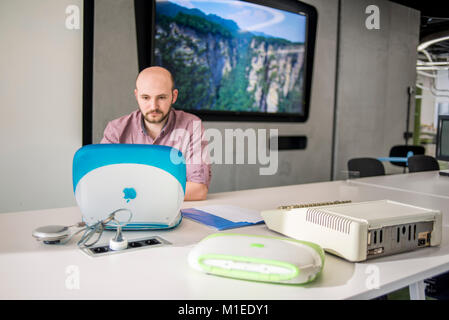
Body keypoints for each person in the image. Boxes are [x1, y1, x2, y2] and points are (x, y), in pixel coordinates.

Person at [101, 66, 211, 201]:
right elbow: (104, 185)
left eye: (162, 97)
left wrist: (138, 192)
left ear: (174, 96)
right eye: (146, 97)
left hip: (175, 214)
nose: (153, 106)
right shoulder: (116, 130)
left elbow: (198, 190)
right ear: (136, 96)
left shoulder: (191, 126)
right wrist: (165, 191)